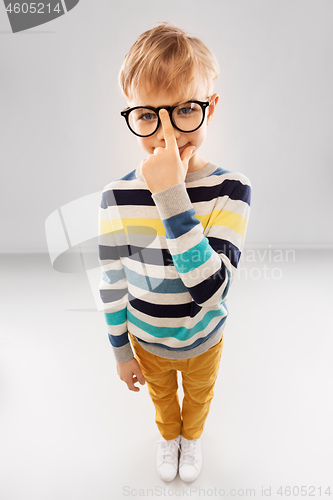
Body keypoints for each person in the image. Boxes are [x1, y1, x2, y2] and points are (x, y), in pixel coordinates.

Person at [98, 21, 251, 483]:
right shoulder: (116, 197)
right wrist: (120, 350)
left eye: (185, 109)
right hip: (147, 342)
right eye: (148, 115)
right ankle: (170, 437)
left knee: (198, 396)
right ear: (131, 114)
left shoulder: (231, 190)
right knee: (163, 398)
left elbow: (211, 291)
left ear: (210, 107)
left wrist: (170, 196)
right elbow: (113, 282)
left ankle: (193, 437)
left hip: (205, 338)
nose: (167, 136)